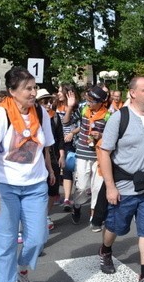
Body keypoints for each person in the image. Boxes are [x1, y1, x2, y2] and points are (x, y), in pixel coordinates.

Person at [0, 67, 56, 282]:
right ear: (13, 92)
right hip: (5, 187)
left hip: (35, 186)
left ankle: (22, 271)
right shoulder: (1, 114)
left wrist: (48, 166)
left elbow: (44, 145)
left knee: (37, 238)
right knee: (5, 242)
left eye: (34, 87)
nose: (34, 92)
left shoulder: (41, 112)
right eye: (28, 88)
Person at [96, 76, 144, 282]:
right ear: (133, 93)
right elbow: (104, 152)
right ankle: (106, 250)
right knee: (115, 227)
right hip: (123, 185)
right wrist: (110, 186)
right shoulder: (120, 118)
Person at [69, 85, 110, 224]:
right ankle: (77, 205)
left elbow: (112, 136)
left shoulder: (109, 115)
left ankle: (94, 214)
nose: (88, 103)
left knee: (97, 187)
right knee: (82, 185)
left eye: (91, 101)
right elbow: (68, 121)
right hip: (82, 152)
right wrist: (70, 107)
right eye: (87, 100)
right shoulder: (83, 109)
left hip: (99, 155)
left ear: (100, 103)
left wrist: (101, 135)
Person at [36, 88, 65, 230]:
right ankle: (38, 216)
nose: (48, 104)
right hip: (36, 157)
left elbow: (60, 138)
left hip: (52, 156)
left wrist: (62, 155)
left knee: (52, 188)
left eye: (49, 101)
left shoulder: (54, 116)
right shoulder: (33, 117)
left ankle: (46, 214)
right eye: (44, 102)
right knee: (39, 188)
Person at [57, 83, 80, 210]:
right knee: (65, 169)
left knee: (73, 169)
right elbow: (61, 123)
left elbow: (82, 125)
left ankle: (78, 199)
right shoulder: (57, 106)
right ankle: (66, 198)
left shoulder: (78, 107)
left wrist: (72, 132)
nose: (58, 94)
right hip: (61, 140)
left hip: (73, 141)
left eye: (60, 91)